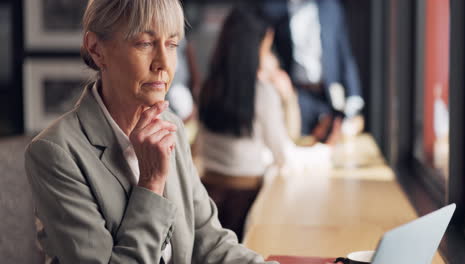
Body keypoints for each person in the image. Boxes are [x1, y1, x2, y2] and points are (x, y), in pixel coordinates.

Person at [24, 0, 278, 263]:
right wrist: (151, 183)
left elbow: (209, 241)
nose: (163, 63)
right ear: (96, 49)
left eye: (171, 44)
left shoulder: (171, 126)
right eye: (145, 43)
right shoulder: (55, 153)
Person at [198, 7, 331, 241]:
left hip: (206, 194)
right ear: (254, 49)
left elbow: (198, 148)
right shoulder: (262, 92)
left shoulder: (208, 87)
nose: (270, 56)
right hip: (246, 200)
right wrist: (288, 97)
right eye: (267, 48)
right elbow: (284, 153)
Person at [258, 0, 365, 141]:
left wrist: (354, 99)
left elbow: (345, 54)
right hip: (298, 95)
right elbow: (266, 50)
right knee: (296, 144)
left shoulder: (330, 7)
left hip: (328, 95)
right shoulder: (275, 10)